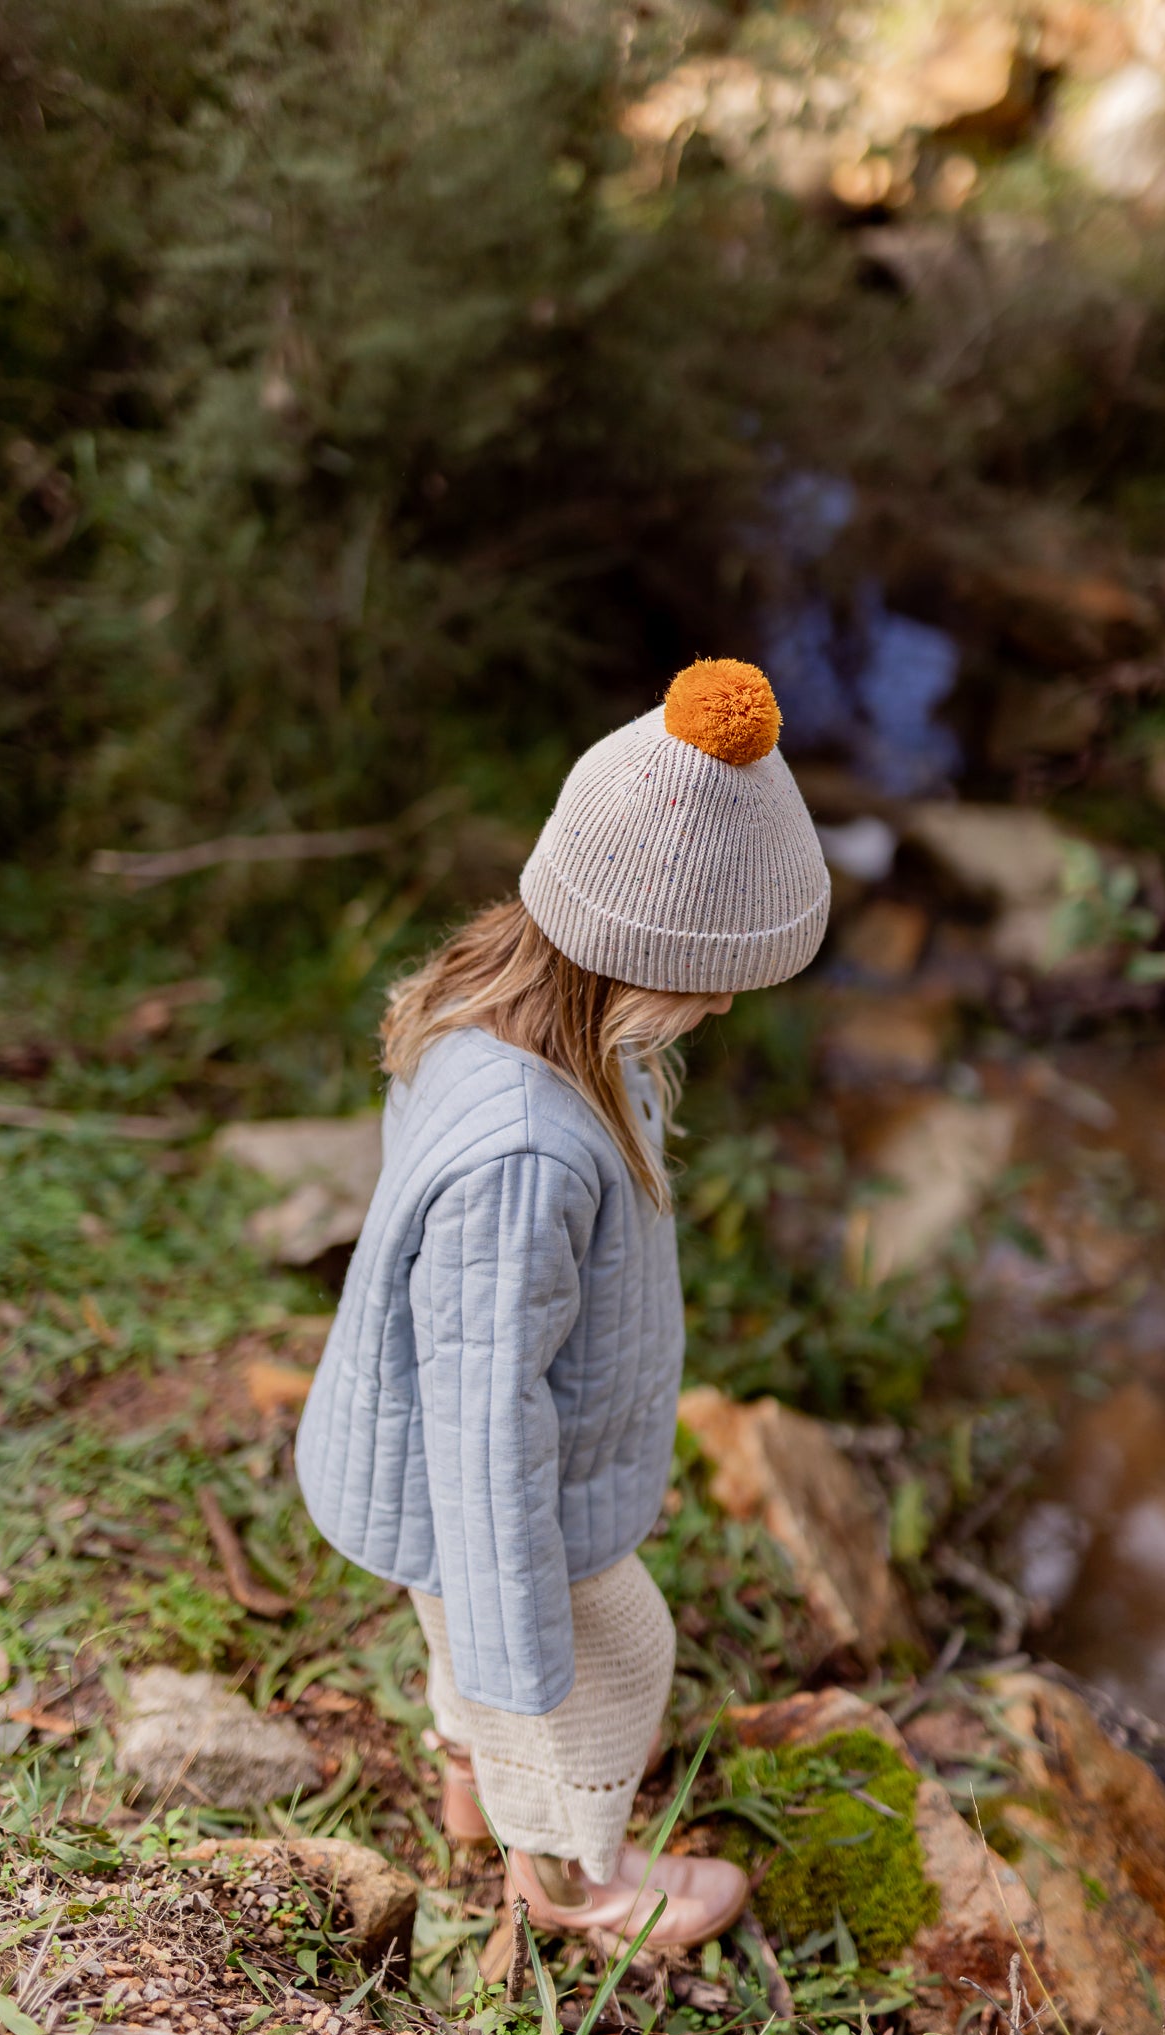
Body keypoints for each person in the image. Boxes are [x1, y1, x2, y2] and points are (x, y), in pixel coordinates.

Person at [295, 657, 830, 1946]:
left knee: (470, 1643)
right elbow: (485, 1434)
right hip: (490, 1493)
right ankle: (571, 1883)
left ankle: (471, 1781)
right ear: (645, 961)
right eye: (717, 984)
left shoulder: (516, 1002)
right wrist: (524, 1655)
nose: (721, 1009)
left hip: (465, 1468)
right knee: (608, 1665)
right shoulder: (528, 1159)